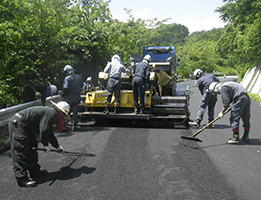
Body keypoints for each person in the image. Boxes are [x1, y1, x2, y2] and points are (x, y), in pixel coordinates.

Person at [8, 101, 71, 187]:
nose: (63, 117)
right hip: (18, 124)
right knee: (20, 150)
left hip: (26, 126)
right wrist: (45, 145)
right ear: (60, 111)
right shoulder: (52, 114)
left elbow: (49, 133)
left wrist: (57, 146)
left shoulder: (52, 113)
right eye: (64, 114)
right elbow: (44, 130)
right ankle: (21, 179)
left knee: (32, 146)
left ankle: (34, 171)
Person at [61, 65, 83, 131]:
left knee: (66, 111)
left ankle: (65, 125)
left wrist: (62, 94)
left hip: (69, 97)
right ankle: (74, 125)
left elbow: (65, 87)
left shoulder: (67, 78)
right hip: (77, 97)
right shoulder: (79, 77)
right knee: (75, 111)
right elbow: (82, 85)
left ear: (67, 72)